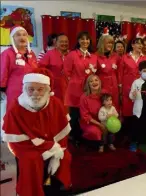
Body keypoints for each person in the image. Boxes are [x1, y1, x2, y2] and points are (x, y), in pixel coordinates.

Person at [2, 68, 71, 196]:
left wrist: (57, 152)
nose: (35, 94)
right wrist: (48, 148)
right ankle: (32, 192)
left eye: (40, 89)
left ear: (47, 90)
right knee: (31, 160)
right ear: (24, 89)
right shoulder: (15, 107)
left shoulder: (55, 104)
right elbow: (15, 141)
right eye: (31, 89)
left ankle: (58, 186)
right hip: (26, 145)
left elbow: (63, 133)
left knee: (65, 155)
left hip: (50, 142)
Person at [64, 31, 98, 141]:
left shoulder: (93, 56)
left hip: (88, 88)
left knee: (86, 113)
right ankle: (74, 136)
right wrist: (74, 82)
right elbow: (66, 72)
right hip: (75, 89)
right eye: (82, 39)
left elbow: (94, 72)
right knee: (75, 114)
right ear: (78, 41)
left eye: (87, 39)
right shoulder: (72, 54)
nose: (85, 41)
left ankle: (86, 135)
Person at [0, 26, 37, 111]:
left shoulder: (32, 54)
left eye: (24, 35)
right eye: (18, 35)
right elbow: (2, 73)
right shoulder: (7, 54)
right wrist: (2, 89)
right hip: (15, 93)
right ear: (13, 38)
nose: (22, 37)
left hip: (31, 92)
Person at [118, 38, 146, 134]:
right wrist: (120, 89)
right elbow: (120, 74)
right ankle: (127, 134)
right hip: (127, 89)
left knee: (138, 111)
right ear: (132, 45)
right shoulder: (125, 57)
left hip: (140, 89)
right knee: (127, 111)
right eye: (137, 43)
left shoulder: (145, 58)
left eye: (141, 44)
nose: (140, 45)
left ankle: (137, 134)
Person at [38, 33, 69, 103]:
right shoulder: (49, 54)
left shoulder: (71, 54)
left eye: (66, 42)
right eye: (61, 41)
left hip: (68, 89)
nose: (64, 43)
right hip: (54, 89)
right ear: (56, 43)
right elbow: (40, 69)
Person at [79, 74, 106, 150]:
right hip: (90, 122)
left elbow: (110, 106)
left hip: (104, 119)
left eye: (96, 80)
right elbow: (85, 116)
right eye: (91, 81)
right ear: (88, 85)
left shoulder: (104, 93)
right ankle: (90, 142)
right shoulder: (84, 97)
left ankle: (107, 143)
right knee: (95, 132)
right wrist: (100, 125)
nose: (94, 82)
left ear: (100, 82)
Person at [96, 34, 120, 111]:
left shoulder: (116, 56)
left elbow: (119, 72)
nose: (110, 45)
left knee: (114, 107)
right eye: (108, 43)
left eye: (111, 43)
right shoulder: (95, 56)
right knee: (103, 107)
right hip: (102, 85)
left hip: (114, 86)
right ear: (102, 43)